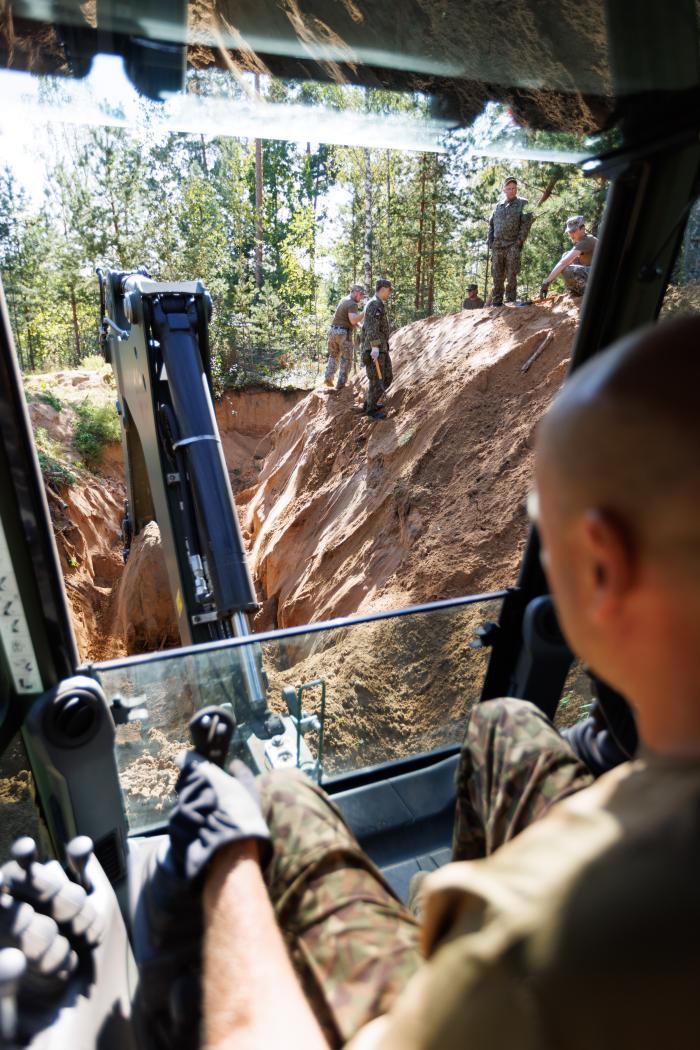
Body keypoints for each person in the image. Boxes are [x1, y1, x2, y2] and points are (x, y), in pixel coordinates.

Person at [168, 316, 700, 1049]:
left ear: (603, 565)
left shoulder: (532, 958)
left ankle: (440, 944)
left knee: (281, 797)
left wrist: (228, 858)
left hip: (469, 1007)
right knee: (504, 719)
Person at [487, 176, 533, 306]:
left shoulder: (523, 203)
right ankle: (496, 303)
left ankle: (511, 302)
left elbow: (525, 226)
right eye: (509, 188)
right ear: (504, 190)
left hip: (512, 245)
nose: (512, 190)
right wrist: (490, 242)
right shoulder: (498, 206)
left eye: (514, 188)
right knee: (497, 275)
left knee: (512, 275)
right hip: (497, 246)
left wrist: (519, 242)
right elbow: (491, 225)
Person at [540, 215, 598, 299]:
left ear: (583, 229)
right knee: (566, 255)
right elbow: (566, 259)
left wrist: (547, 282)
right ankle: (575, 291)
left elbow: (564, 262)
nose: (571, 234)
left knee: (567, 269)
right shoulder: (582, 240)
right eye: (570, 231)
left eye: (574, 231)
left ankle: (588, 293)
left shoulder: (587, 240)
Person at [360, 279, 393, 420]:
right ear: (383, 289)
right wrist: (374, 346)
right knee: (378, 379)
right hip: (375, 348)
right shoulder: (374, 304)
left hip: (380, 347)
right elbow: (371, 327)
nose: (390, 293)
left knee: (386, 377)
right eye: (389, 290)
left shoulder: (377, 304)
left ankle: (369, 403)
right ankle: (371, 410)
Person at [324, 285, 365, 390]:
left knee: (334, 355)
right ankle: (341, 385)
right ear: (355, 292)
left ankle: (328, 377)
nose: (361, 298)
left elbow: (351, 320)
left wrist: (361, 326)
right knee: (346, 359)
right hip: (343, 333)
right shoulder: (352, 304)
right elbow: (352, 320)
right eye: (361, 295)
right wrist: (364, 313)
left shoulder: (344, 300)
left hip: (333, 331)